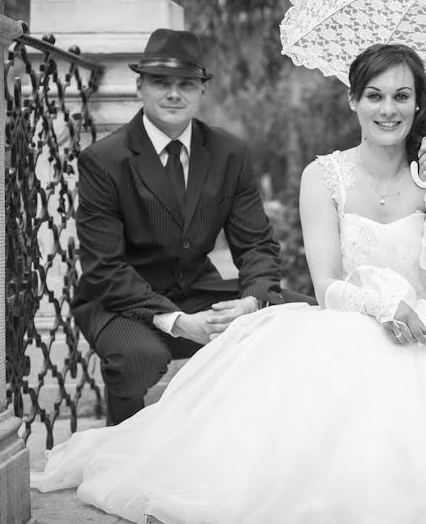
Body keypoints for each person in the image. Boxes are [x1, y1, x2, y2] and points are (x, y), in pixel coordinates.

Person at [33, 44, 426, 524]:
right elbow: (324, 285)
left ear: (419, 104)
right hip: (347, 319)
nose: (388, 109)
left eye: (403, 96)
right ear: (353, 101)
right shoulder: (323, 176)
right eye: (374, 95)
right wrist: (379, 306)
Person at [72, 28, 309, 425]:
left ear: (201, 91)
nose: (174, 94)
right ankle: (121, 448)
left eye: (186, 84)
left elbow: (256, 246)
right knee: (139, 358)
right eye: (161, 83)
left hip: (198, 289)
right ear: (140, 87)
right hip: (121, 301)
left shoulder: (228, 152)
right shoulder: (104, 160)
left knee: (303, 316)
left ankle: (260, 434)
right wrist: (180, 323)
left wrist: (251, 302)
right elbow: (104, 269)